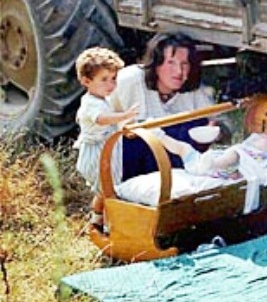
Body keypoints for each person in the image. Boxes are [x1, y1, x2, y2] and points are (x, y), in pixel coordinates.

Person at [109, 32, 232, 181]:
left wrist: (217, 130)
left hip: (174, 161)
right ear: (156, 64)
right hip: (131, 159)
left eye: (184, 64)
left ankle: (181, 178)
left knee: (197, 124)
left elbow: (223, 124)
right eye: (171, 63)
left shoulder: (194, 90)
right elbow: (99, 120)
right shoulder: (130, 80)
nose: (179, 71)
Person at [74, 47, 139, 226]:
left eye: (113, 79)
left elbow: (111, 123)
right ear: (86, 81)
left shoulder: (103, 99)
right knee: (108, 189)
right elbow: (102, 119)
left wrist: (123, 127)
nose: (111, 85)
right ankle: (111, 225)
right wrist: (124, 115)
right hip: (97, 153)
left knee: (105, 190)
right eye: (104, 79)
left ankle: (97, 219)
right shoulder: (90, 103)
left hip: (108, 150)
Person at [158, 129, 267, 178]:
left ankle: (212, 164)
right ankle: (159, 135)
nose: (263, 135)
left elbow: (249, 170)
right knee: (184, 148)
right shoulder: (249, 148)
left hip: (219, 169)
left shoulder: (263, 157)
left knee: (235, 154)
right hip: (202, 164)